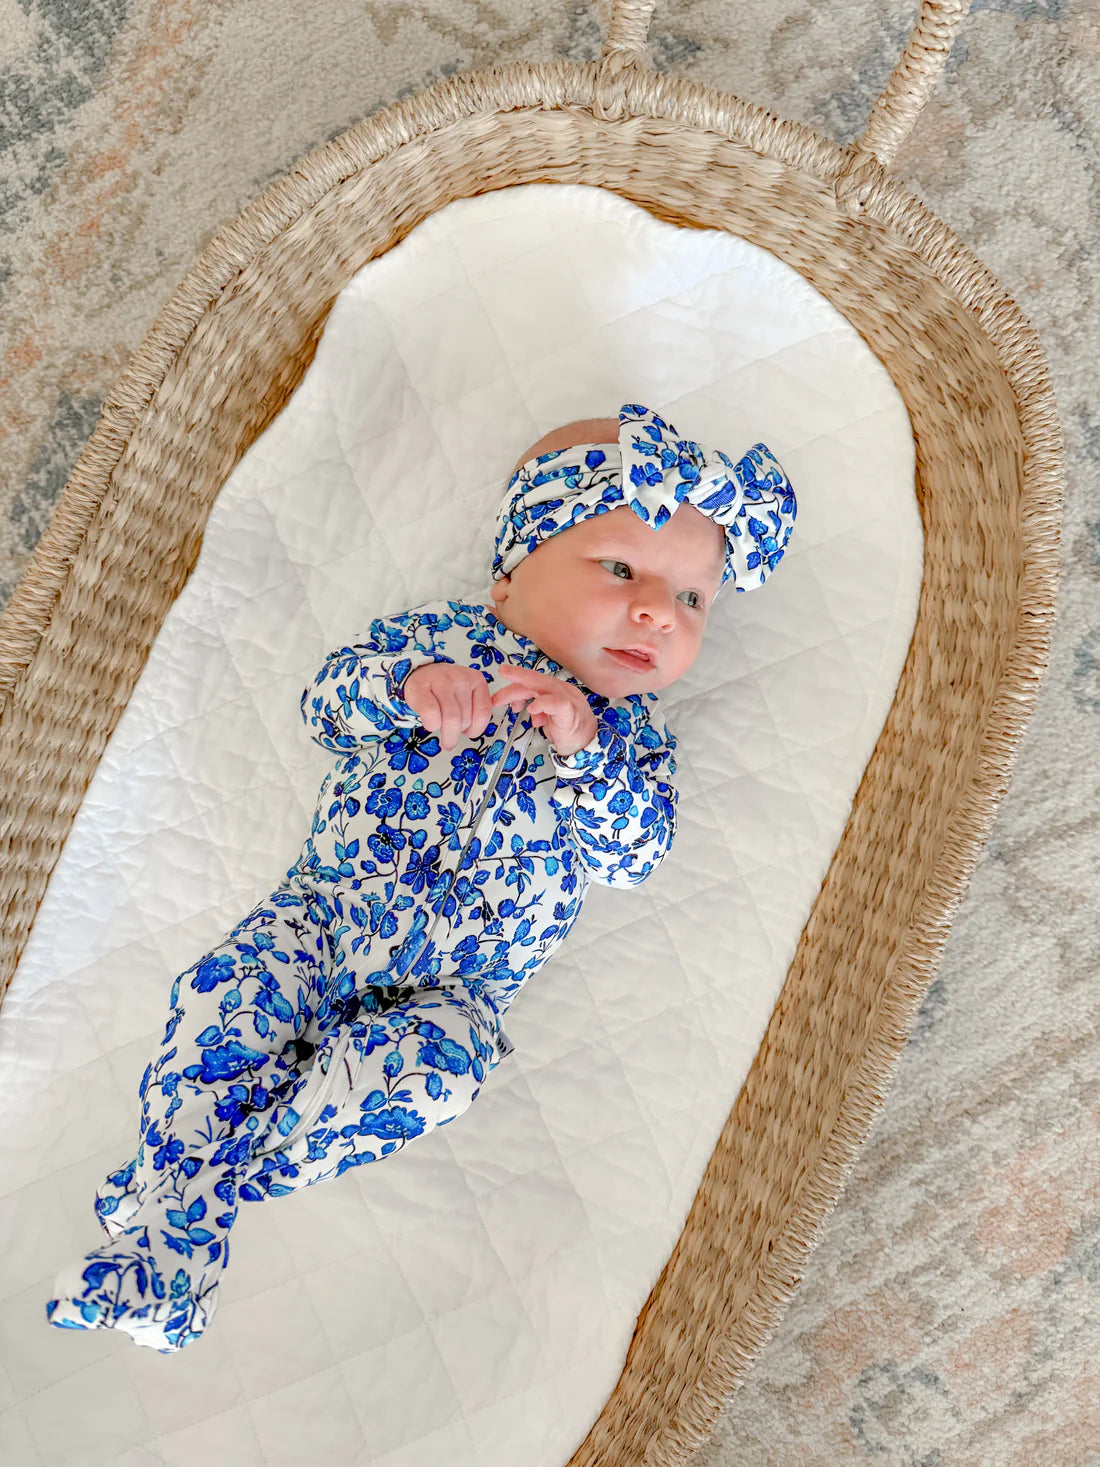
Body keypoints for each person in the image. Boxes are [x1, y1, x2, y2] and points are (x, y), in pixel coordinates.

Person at [46, 402, 797, 1352]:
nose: (658, 609)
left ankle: (181, 1203)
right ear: (513, 572)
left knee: (447, 1064)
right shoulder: (444, 644)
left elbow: (634, 854)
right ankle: (176, 1228)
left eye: (693, 600)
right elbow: (327, 701)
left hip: (454, 993)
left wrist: (583, 747)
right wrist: (405, 689)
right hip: (328, 914)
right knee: (227, 1000)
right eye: (621, 568)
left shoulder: (630, 742)